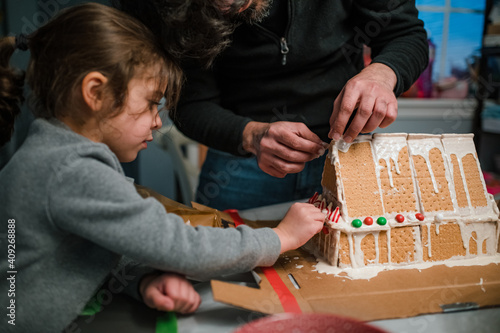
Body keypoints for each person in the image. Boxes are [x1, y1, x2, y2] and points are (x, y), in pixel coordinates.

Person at [0, 3, 325, 332]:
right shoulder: (72, 170)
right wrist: (279, 238)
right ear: (95, 93)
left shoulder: (55, 154)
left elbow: (89, 249)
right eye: (151, 103)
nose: (158, 122)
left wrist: (143, 281)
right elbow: (180, 246)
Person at [119, 0, 429, 211]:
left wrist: (383, 73)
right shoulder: (168, 9)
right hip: (240, 164)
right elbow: (190, 103)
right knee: (231, 282)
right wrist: (250, 135)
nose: (230, 6)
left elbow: (404, 33)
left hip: (348, 154)